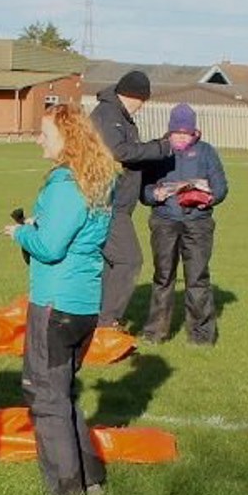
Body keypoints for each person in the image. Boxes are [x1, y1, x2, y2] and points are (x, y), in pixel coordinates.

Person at [5, 104, 117, 495]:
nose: (39, 139)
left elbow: (51, 247)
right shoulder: (99, 180)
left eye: (45, 133)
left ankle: (67, 490)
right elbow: (76, 231)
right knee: (62, 391)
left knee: (45, 395)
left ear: (67, 137)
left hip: (55, 303)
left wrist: (20, 234)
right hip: (85, 303)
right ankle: (91, 477)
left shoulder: (65, 183)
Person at [139, 103, 228, 345]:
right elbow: (143, 191)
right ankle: (155, 333)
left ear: (194, 132)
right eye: (176, 132)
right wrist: (152, 195)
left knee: (197, 278)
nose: (180, 137)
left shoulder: (207, 152)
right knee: (163, 277)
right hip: (164, 222)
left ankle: (200, 336)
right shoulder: (158, 151)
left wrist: (208, 196)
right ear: (169, 131)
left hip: (198, 223)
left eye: (185, 133)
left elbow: (221, 187)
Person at [89, 70, 172, 329]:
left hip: (114, 203)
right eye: (142, 101)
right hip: (108, 203)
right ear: (134, 97)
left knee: (110, 263)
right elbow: (119, 151)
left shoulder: (116, 115)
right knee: (129, 259)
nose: (142, 108)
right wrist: (160, 148)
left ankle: (96, 319)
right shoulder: (108, 115)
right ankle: (106, 321)